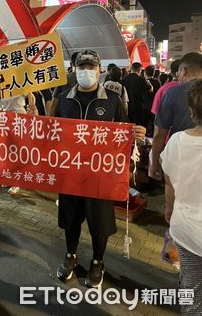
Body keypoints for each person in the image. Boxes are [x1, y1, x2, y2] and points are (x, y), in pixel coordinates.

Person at [55, 50, 146, 287]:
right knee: (71, 219)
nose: (86, 71)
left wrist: (137, 135)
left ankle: (97, 261)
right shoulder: (64, 98)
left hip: (101, 176)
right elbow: (52, 133)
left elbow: (126, 133)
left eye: (91, 67)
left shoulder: (112, 100)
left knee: (100, 223)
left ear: (99, 70)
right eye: (81, 67)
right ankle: (70, 256)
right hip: (70, 173)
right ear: (74, 69)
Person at [161, 79, 202, 315]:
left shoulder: (176, 141)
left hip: (186, 229)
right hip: (186, 227)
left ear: (191, 112)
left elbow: (169, 183)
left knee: (192, 288)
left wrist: (169, 209)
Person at [150, 52, 202, 180]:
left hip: (181, 155)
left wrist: (154, 162)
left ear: (183, 71)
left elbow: (160, 133)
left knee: (175, 196)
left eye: (178, 72)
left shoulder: (173, 93)